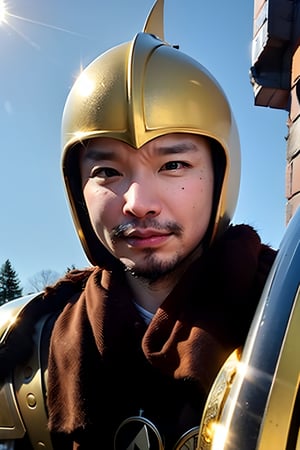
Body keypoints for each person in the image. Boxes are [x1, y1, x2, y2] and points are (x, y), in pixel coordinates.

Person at [0, 0, 277, 449]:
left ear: (221, 173)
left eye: (173, 164)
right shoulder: (23, 342)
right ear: (76, 188)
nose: (138, 203)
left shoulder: (286, 321)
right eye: (107, 172)